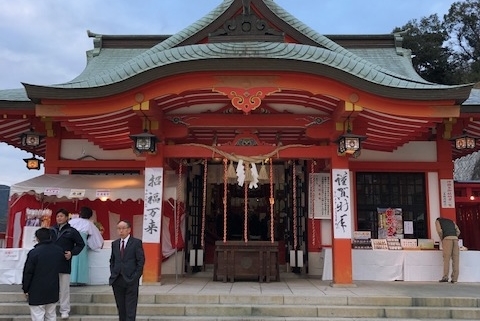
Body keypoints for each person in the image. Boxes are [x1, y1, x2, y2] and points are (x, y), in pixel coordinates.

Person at [22, 227, 65, 321]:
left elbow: (28, 272)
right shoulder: (58, 251)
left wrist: (25, 288)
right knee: (51, 314)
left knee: (37, 315)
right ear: (50, 236)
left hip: (36, 289)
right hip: (53, 287)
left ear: (37, 238)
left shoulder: (34, 253)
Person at [50, 208, 85, 319]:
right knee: (51, 287)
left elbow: (81, 244)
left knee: (64, 288)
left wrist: (72, 253)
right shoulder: (51, 230)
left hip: (64, 262)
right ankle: (51, 309)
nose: (59, 218)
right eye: (57, 216)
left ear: (66, 218)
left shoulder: (72, 231)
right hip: (51, 263)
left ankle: (64, 310)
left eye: (61, 216)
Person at [109, 220, 145, 321]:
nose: (121, 231)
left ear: (129, 230)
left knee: (130, 308)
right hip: (117, 279)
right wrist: (113, 272)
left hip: (131, 279)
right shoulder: (115, 244)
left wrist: (135, 276)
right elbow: (112, 260)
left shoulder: (136, 242)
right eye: (119, 229)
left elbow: (140, 261)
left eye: (123, 228)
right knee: (121, 307)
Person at [68, 206, 104, 285]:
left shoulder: (72, 221)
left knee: (71, 260)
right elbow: (96, 238)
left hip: (71, 243)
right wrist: (96, 245)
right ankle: (80, 280)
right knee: (81, 261)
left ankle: (70, 280)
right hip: (82, 243)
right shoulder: (89, 224)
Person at [435, 217, 461, 283]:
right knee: (456, 259)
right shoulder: (452, 221)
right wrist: (455, 236)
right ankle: (455, 278)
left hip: (447, 239)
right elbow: (458, 231)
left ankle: (445, 277)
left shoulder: (438, 221)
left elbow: (440, 231)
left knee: (446, 259)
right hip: (455, 239)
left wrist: (442, 239)